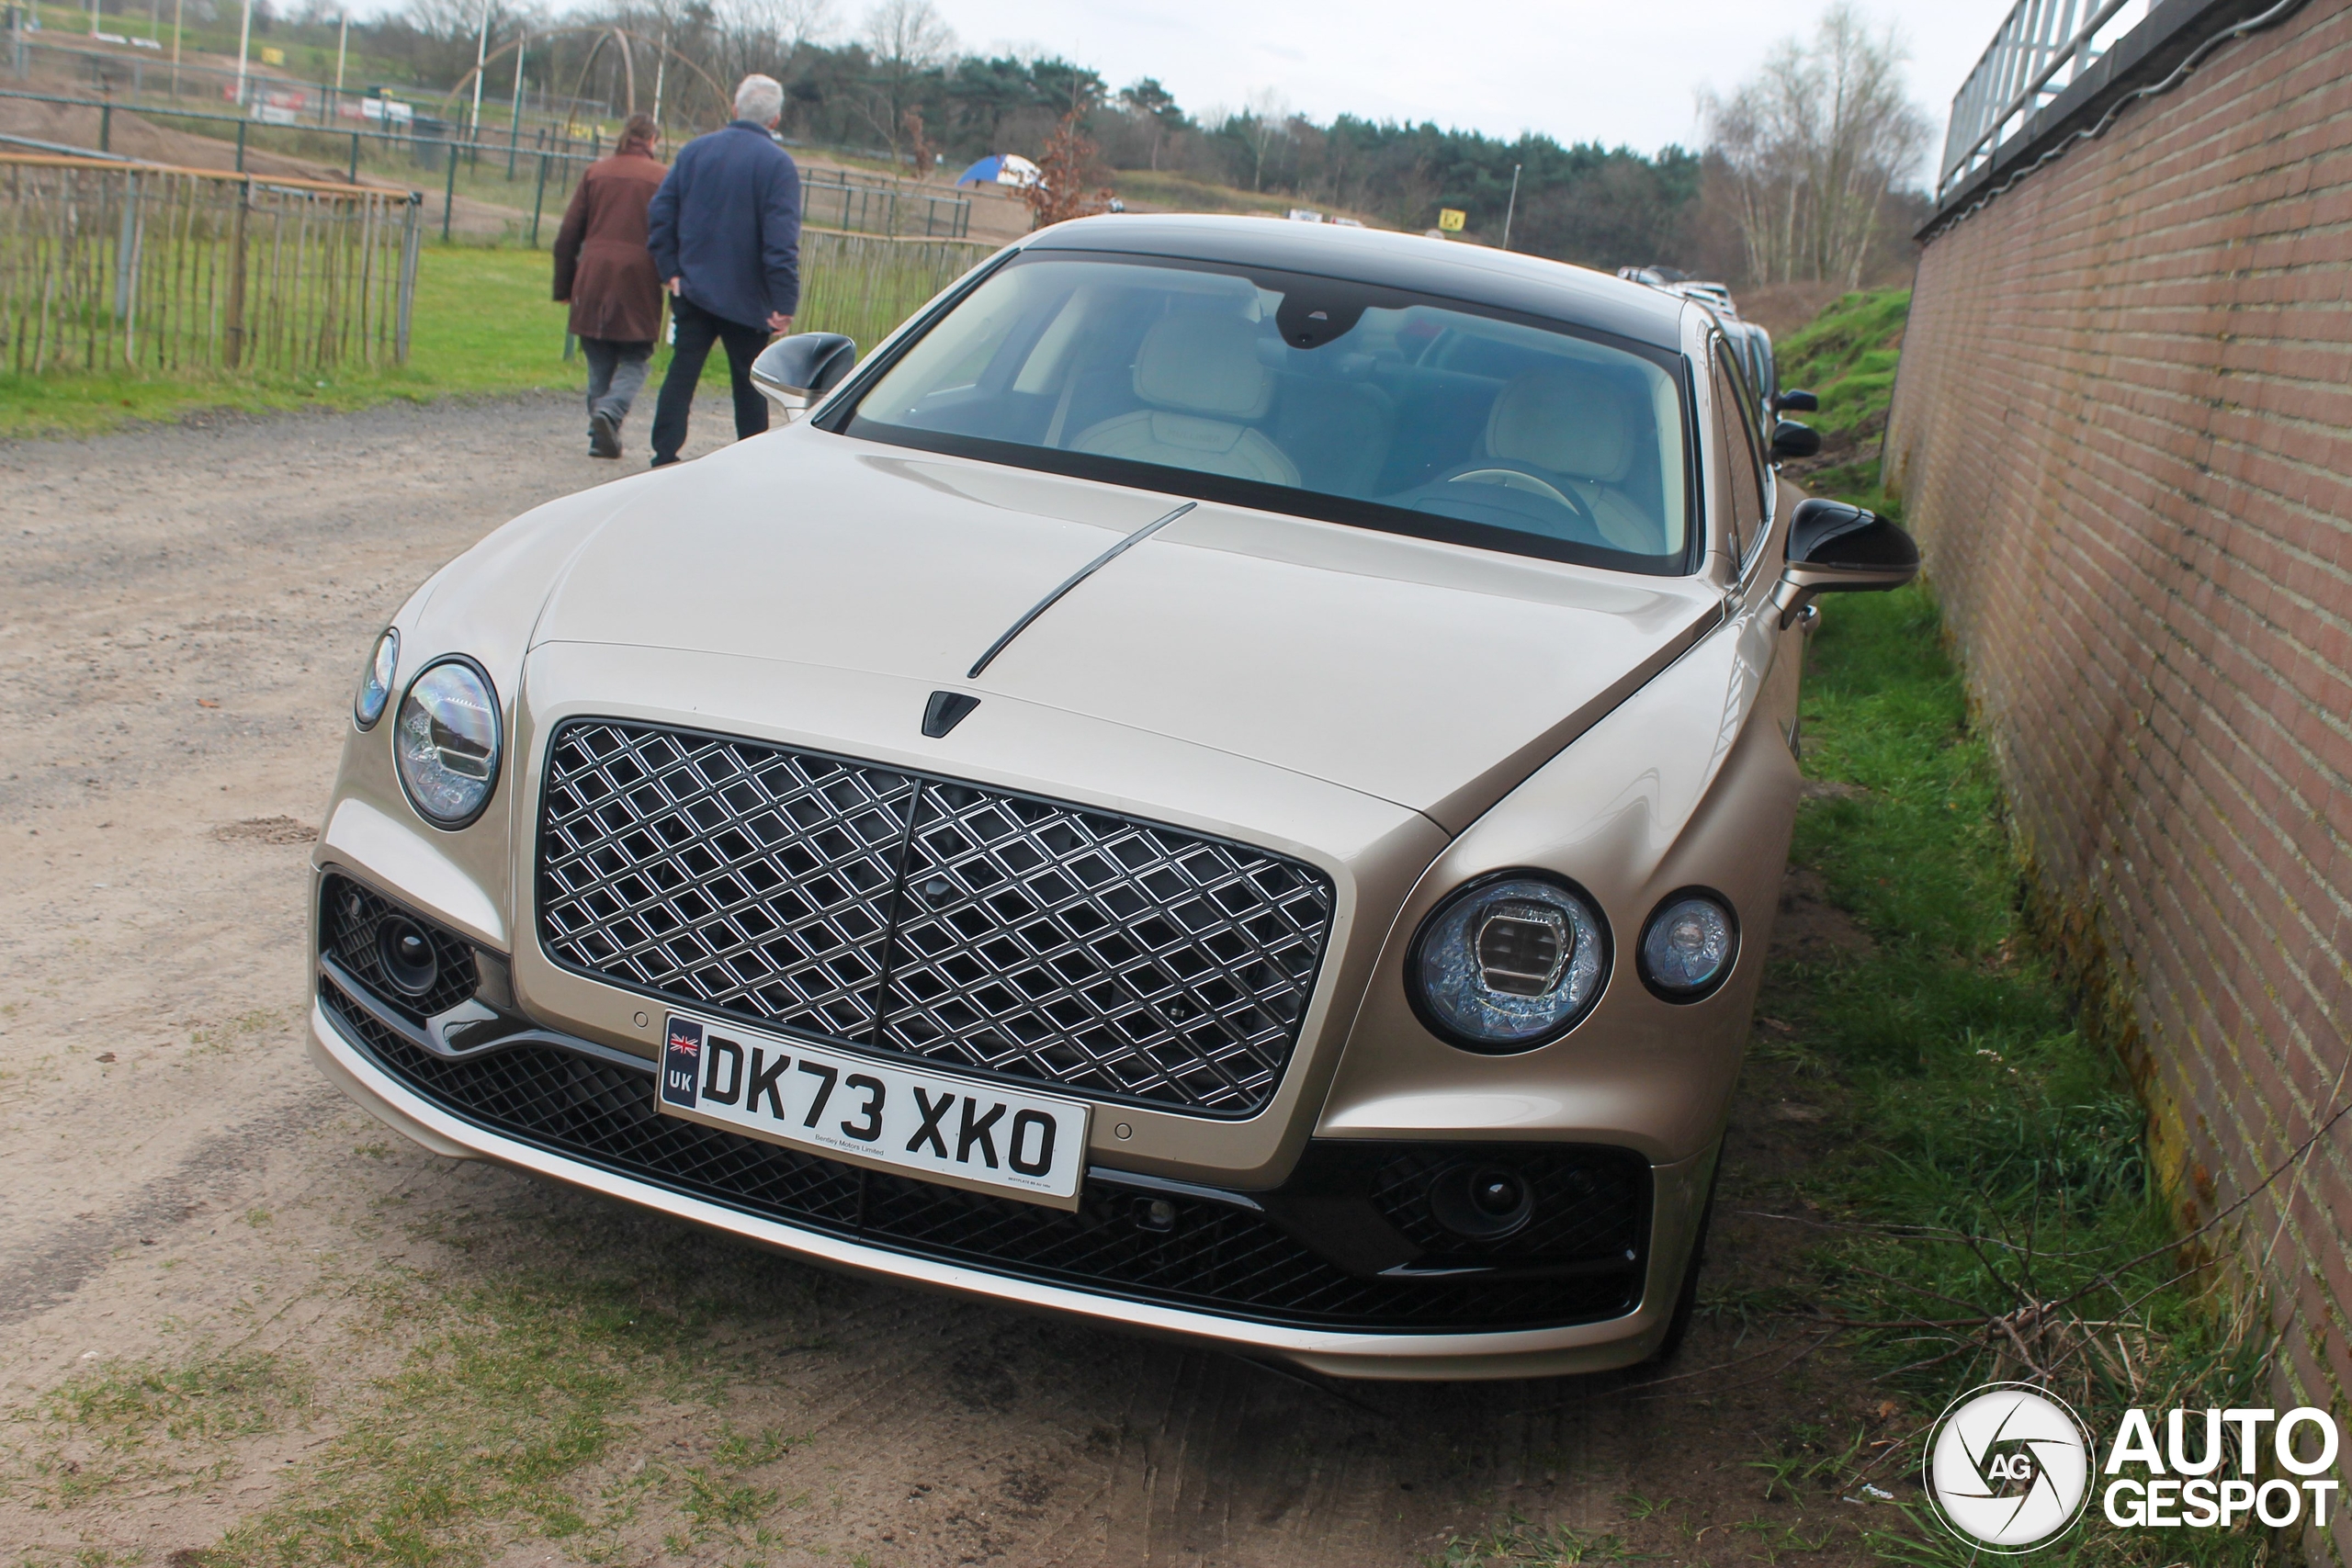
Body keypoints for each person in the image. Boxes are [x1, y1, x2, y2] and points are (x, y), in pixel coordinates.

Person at [644, 74, 802, 468]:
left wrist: (670, 268)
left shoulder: (696, 151)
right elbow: (780, 240)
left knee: (682, 371)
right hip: (748, 296)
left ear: (734, 109)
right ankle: (749, 460)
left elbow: (661, 211)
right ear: (776, 119)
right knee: (749, 384)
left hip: (694, 285)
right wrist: (783, 300)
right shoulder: (778, 166)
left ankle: (664, 452)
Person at [552, 113, 668, 460]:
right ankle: (611, 413)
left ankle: (600, 432)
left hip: (593, 274)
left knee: (598, 356)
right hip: (639, 277)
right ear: (651, 142)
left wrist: (564, 286)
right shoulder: (663, 177)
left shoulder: (595, 172)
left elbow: (568, 235)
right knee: (636, 356)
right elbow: (671, 233)